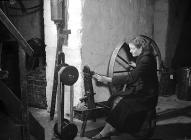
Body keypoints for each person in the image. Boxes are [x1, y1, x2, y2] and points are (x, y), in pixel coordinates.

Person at [92, 35, 159, 140]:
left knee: (124, 103)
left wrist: (107, 79)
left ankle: (106, 131)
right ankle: (112, 128)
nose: (131, 52)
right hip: (143, 90)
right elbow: (145, 69)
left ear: (140, 48)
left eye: (132, 49)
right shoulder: (146, 56)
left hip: (148, 95)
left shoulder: (145, 59)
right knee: (116, 97)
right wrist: (137, 66)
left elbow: (131, 78)